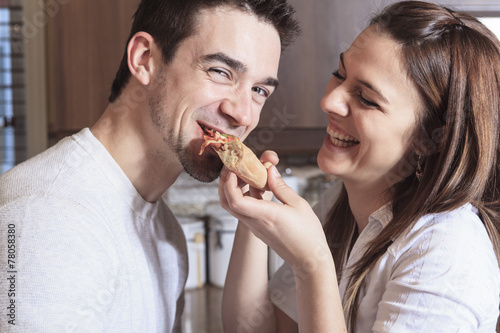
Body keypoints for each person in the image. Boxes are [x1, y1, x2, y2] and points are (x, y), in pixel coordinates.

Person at [0, 0, 299, 331]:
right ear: (145, 60)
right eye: (220, 71)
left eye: (259, 90)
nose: (243, 114)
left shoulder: (167, 232)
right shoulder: (47, 220)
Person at [219, 1, 500, 332]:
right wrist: (254, 216)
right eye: (339, 74)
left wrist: (312, 263)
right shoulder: (340, 204)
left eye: (367, 99)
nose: (329, 101)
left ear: (429, 139)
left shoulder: (445, 257)